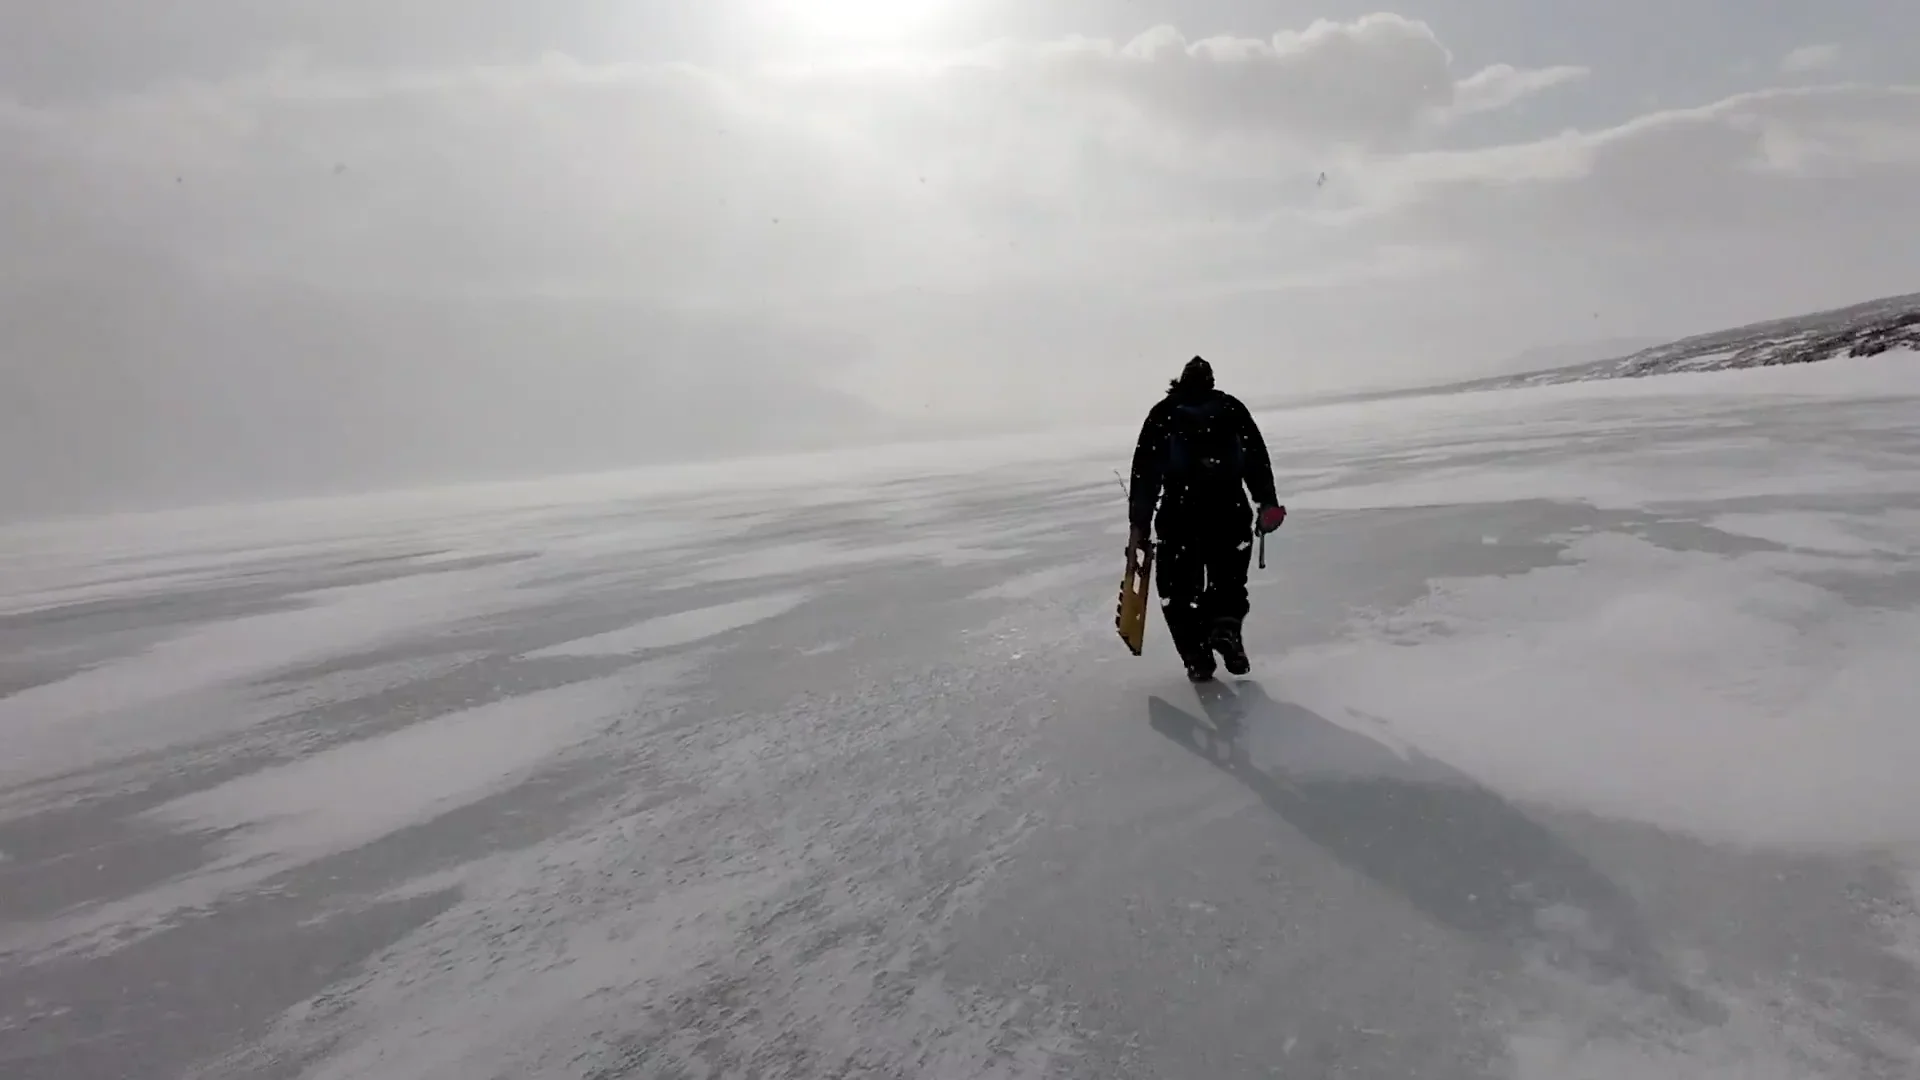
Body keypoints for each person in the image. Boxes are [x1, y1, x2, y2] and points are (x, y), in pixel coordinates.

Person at [1127, 356, 1287, 682]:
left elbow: (1145, 472)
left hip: (1179, 514)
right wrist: (1266, 501)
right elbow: (1256, 457)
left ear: (1179, 382)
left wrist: (1139, 524)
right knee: (1227, 582)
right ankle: (1225, 629)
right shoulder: (1231, 409)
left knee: (1178, 592)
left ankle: (1197, 658)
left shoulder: (1163, 414)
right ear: (1211, 381)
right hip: (1229, 509)